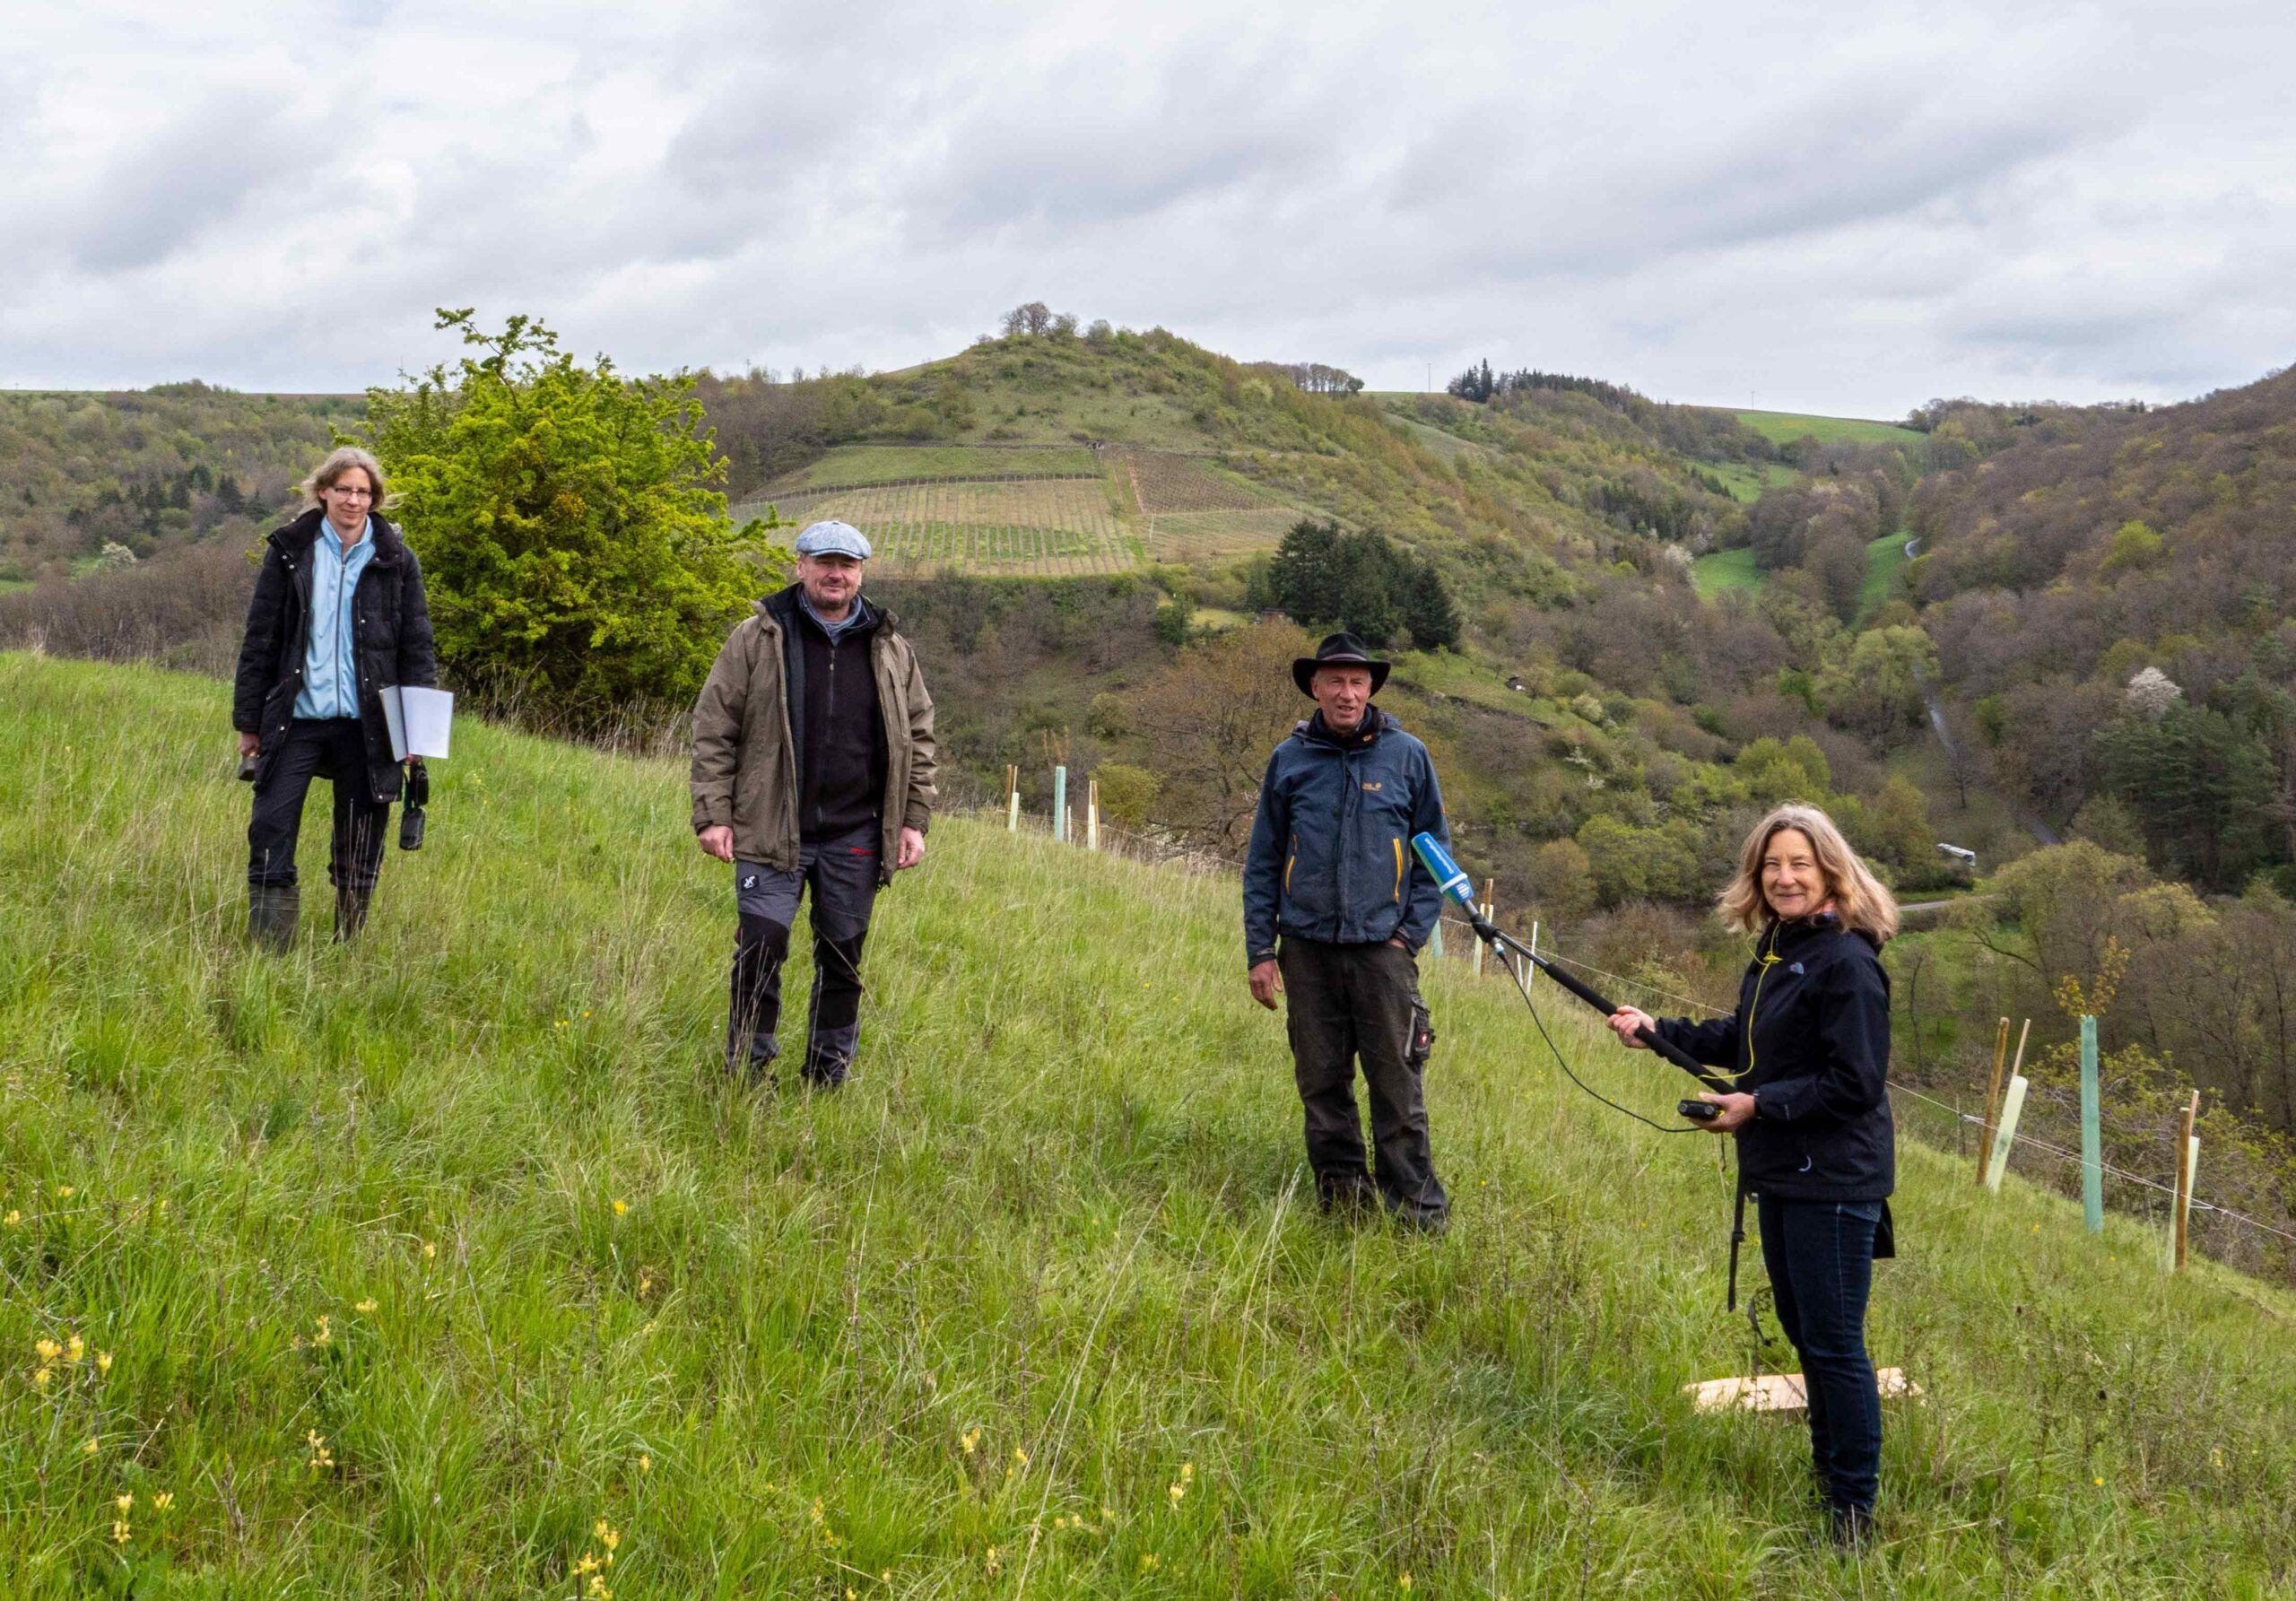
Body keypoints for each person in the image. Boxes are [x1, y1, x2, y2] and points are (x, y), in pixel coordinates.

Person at [1605, 803, 1898, 1545]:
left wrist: (1757, 1104)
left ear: (1831, 869)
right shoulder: (1778, 950)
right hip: (1784, 1170)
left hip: (1834, 1181)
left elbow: (1855, 1082)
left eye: (1800, 863)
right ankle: (1828, 1483)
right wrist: (1656, 1033)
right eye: (1773, 865)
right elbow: (1743, 1037)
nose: (1785, 876)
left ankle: (1852, 1517)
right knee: (1808, 1335)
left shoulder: (1848, 961)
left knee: (1834, 1344)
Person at [690, 520, 938, 1086]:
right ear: (800, 566)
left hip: (857, 832)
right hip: (769, 828)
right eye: (825, 562)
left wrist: (913, 821)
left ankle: (827, 1076)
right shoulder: (757, 639)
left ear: (861, 573)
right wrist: (713, 814)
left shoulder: (892, 649)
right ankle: (747, 1071)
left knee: (843, 957)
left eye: (848, 565)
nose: (836, 574)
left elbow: (919, 740)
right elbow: (714, 730)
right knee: (761, 945)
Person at [1242, 631, 1451, 1229]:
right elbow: (1262, 860)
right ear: (1315, 686)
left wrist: (1407, 936)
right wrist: (1262, 950)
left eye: (1358, 681)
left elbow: (1435, 856)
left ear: (1371, 689)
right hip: (1305, 952)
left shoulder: (1408, 756)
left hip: (1382, 954)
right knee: (1322, 1085)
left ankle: (1416, 1218)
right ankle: (1344, 1208)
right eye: (1335, 680)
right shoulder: (1290, 759)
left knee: (1397, 1089)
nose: (1347, 692)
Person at [232, 447, 435, 949]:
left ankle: (349, 945)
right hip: (295, 718)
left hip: (369, 723)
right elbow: (260, 640)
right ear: (322, 491)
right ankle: (271, 950)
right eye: (343, 489)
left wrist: (419, 732)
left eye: (364, 492)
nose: (353, 500)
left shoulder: (396, 561)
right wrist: (248, 722)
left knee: (361, 836)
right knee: (271, 824)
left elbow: (417, 646)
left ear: (375, 499)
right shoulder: (289, 552)